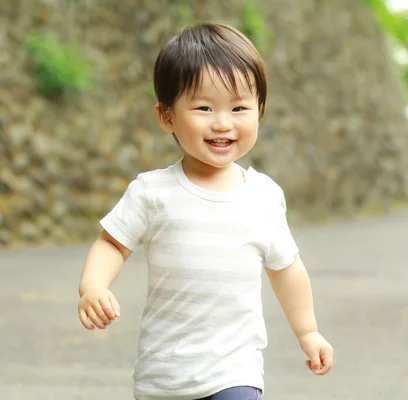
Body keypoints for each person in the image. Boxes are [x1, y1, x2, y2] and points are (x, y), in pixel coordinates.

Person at [77, 22, 334, 400]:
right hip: (164, 374)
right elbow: (112, 244)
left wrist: (308, 331)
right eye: (203, 107)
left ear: (259, 112)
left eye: (239, 107)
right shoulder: (152, 192)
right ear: (167, 117)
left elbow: (287, 268)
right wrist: (93, 286)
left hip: (235, 371)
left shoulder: (263, 196)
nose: (222, 122)